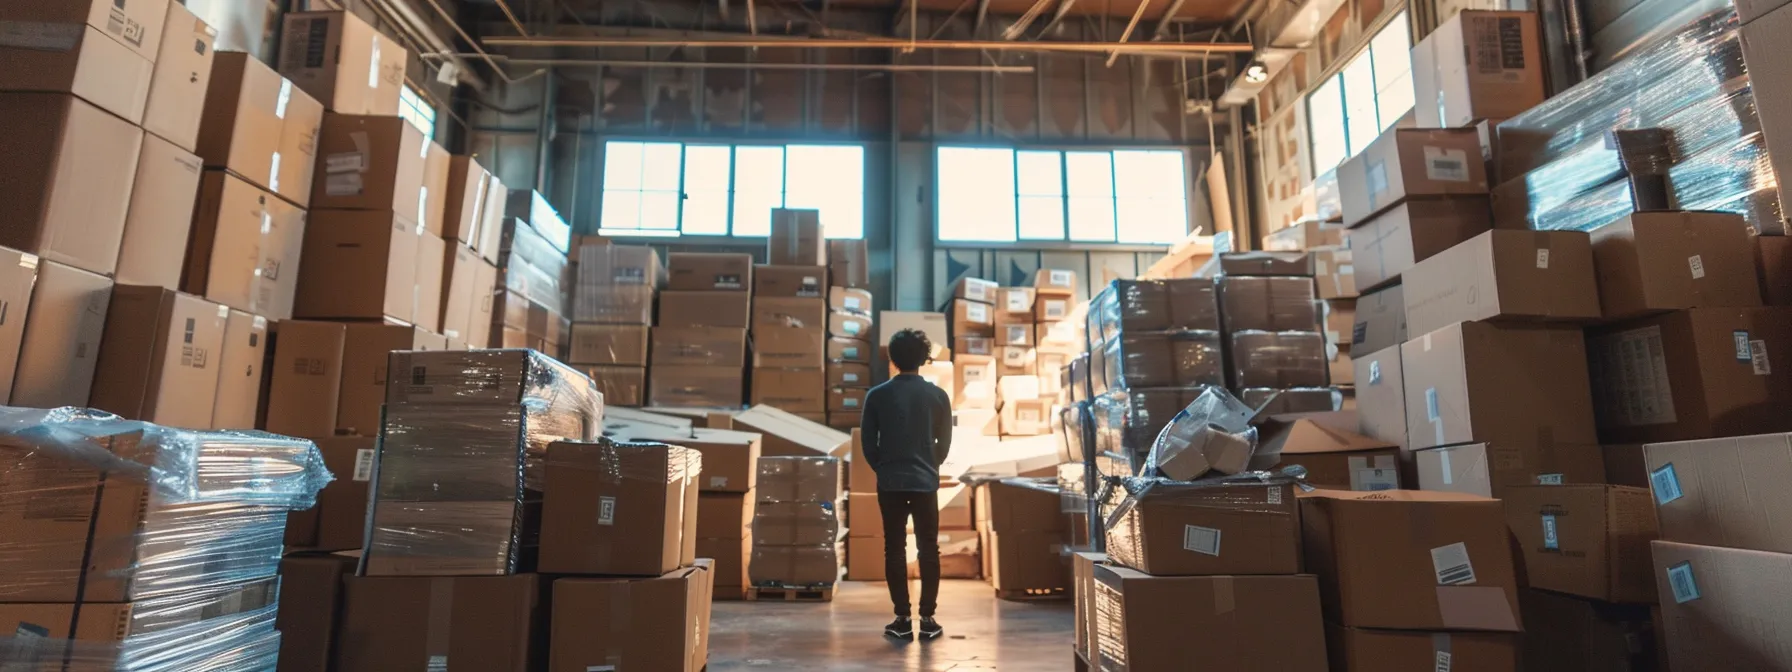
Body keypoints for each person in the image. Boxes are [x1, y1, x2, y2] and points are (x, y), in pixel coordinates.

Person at [861, 328, 953, 642]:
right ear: (924, 358)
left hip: (890, 482)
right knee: (929, 548)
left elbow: (867, 445)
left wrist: (885, 469)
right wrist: (930, 466)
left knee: (894, 548)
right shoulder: (938, 395)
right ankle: (928, 618)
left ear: (893, 358)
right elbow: (945, 443)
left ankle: (901, 618)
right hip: (926, 482)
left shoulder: (877, 395)